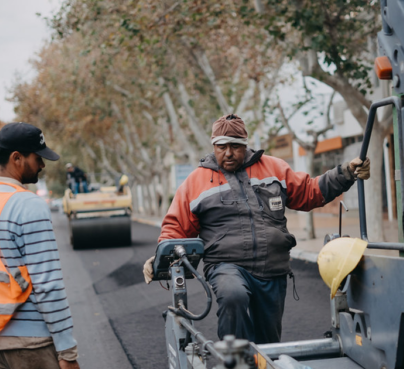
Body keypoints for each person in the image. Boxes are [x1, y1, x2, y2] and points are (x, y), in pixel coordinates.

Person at [143, 114, 370, 344]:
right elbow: (176, 227)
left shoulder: (274, 168)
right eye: (222, 147)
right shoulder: (196, 181)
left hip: (272, 268)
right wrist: (159, 257)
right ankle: (235, 358)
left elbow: (309, 192)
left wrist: (346, 173)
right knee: (233, 295)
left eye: (235, 146)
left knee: (268, 342)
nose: (228, 153)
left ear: (245, 144)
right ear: (214, 146)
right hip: (225, 265)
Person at [0, 122, 80, 369]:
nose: (42, 165)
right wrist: (67, 352)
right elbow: (48, 285)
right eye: (37, 158)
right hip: (30, 345)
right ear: (16, 158)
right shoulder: (28, 205)